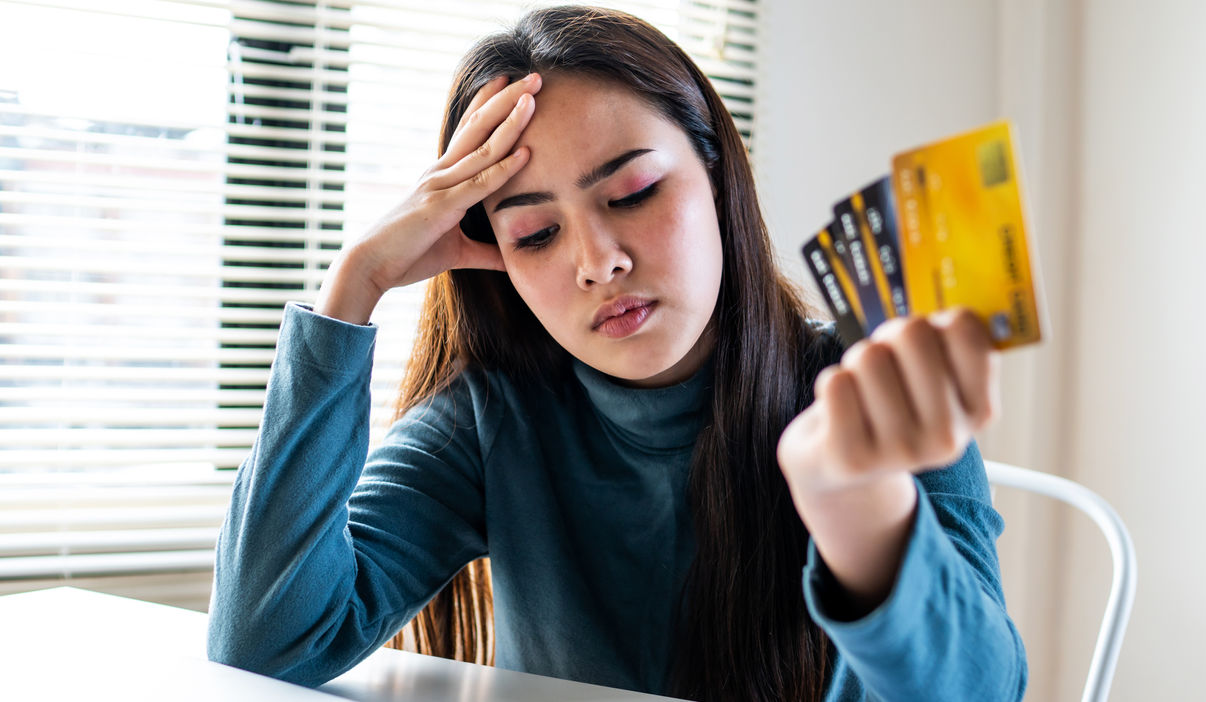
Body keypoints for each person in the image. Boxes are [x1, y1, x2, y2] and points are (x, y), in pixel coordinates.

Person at [207, 5, 1028, 701]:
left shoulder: (867, 396)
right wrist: (354, 285)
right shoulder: (494, 419)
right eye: (534, 233)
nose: (597, 261)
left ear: (717, 176)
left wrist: (860, 507)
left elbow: (981, 690)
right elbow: (266, 645)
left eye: (632, 193)